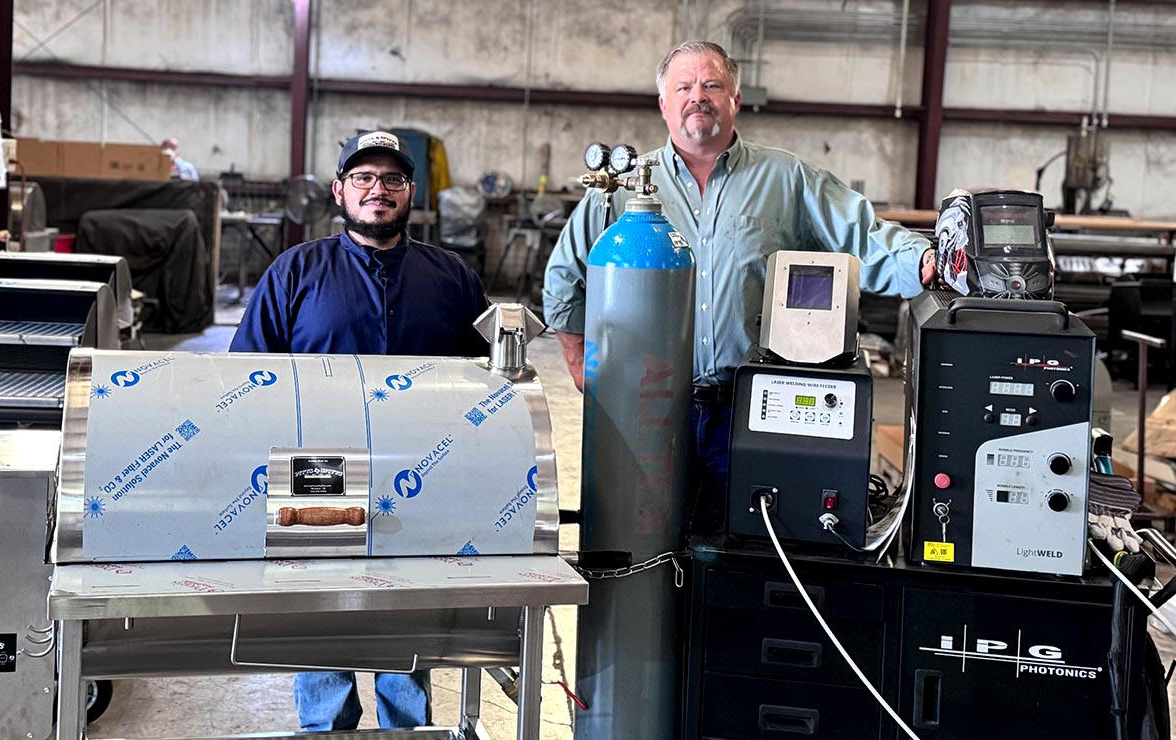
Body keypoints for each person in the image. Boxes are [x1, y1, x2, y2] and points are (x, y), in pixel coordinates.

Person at [543, 40, 939, 530]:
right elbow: (566, 271)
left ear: (735, 98)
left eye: (712, 85)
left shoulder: (786, 178)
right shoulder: (623, 187)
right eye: (683, 86)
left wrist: (921, 258)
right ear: (664, 103)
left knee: (742, 545)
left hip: (750, 404)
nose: (698, 97)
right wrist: (579, 360)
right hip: (648, 406)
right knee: (641, 543)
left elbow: (860, 233)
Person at [229, 130, 489, 730]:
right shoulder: (296, 271)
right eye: (365, 179)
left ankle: (408, 728)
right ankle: (325, 729)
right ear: (340, 190)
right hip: (314, 468)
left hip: (418, 472)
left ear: (410, 194)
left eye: (393, 180)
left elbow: (488, 378)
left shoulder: (450, 276)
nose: (379, 190)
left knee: (407, 613)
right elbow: (245, 373)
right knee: (320, 613)